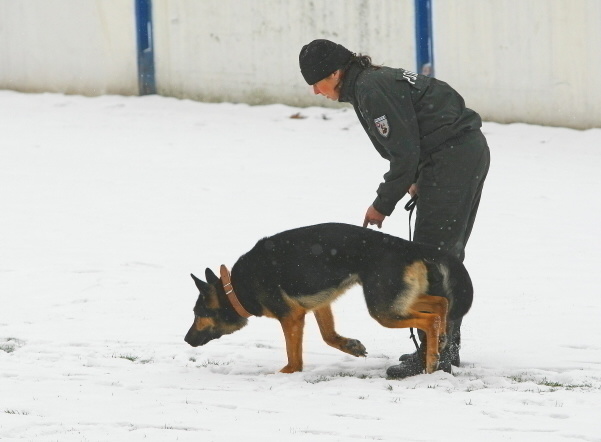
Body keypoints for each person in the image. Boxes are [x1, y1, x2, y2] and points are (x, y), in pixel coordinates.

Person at [298, 39, 490, 378]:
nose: (315, 91)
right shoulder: (369, 82)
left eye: (315, 82)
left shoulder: (371, 89)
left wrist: (381, 205)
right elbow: (415, 137)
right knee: (440, 254)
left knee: (432, 255)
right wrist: (417, 176)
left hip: (452, 158)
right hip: (455, 154)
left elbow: (403, 153)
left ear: (334, 72)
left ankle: (438, 352)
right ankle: (444, 347)